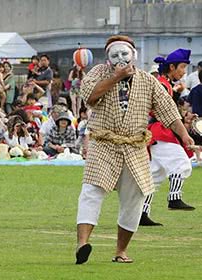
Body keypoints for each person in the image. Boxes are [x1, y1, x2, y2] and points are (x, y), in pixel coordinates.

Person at [75, 36, 193, 265]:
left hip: (134, 146)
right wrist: (116, 77)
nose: (120, 59)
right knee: (91, 192)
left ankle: (121, 251)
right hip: (103, 143)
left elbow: (168, 111)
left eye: (124, 54)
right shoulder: (98, 73)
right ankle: (82, 244)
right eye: (115, 55)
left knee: (135, 199)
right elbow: (89, 97)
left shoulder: (148, 81)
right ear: (107, 58)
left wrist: (185, 135)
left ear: (134, 56)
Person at [140, 49, 196, 226]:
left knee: (154, 176)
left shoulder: (164, 84)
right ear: (171, 67)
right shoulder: (162, 85)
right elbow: (162, 111)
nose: (184, 71)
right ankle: (174, 198)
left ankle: (141, 213)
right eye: (182, 67)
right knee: (181, 163)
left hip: (156, 131)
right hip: (161, 130)